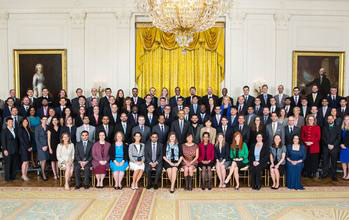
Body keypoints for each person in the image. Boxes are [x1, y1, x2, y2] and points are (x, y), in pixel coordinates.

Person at [321, 115, 341, 181]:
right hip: (326, 147)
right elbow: (323, 137)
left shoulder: (337, 127)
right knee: (325, 161)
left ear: (333, 119)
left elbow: (339, 138)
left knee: (334, 162)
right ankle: (325, 174)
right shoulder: (324, 127)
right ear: (327, 120)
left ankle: (333, 175)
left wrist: (333, 145)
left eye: (331, 119)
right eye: (328, 119)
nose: (330, 120)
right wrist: (328, 144)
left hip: (334, 147)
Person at [35, 116, 49, 181]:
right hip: (40, 147)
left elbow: (49, 138)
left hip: (47, 146)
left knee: (46, 160)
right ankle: (43, 173)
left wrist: (47, 146)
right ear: (41, 120)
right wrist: (42, 147)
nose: (45, 121)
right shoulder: (37, 128)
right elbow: (36, 139)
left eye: (46, 119)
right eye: (44, 119)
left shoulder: (48, 127)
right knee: (43, 160)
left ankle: (43, 171)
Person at [340, 116, 349, 180]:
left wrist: (345, 145)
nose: (346, 120)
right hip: (342, 147)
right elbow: (340, 138)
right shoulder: (342, 128)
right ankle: (345, 174)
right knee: (343, 161)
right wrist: (341, 144)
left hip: (348, 147)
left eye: (348, 119)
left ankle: (348, 175)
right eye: (345, 119)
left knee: (348, 162)